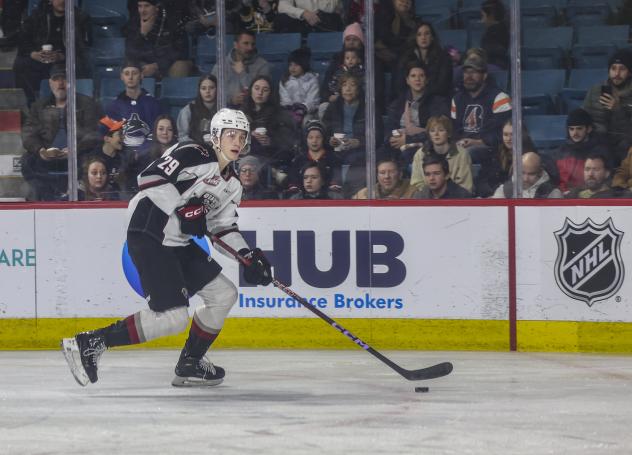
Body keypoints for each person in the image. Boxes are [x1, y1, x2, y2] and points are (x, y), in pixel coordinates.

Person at [61, 108, 274, 388]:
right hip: (149, 232)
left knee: (224, 294)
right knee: (173, 318)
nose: (236, 141)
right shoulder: (193, 153)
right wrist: (185, 208)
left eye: (241, 136)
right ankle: (90, 343)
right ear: (215, 137)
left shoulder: (232, 185)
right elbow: (149, 178)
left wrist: (247, 257)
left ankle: (191, 363)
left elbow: (222, 228)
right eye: (229, 134)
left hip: (177, 242)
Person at [21, 65, 102, 201]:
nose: (60, 83)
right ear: (50, 83)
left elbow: (93, 133)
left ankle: (78, 195)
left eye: (64, 79)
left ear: (71, 82)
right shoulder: (39, 106)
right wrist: (41, 151)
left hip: (78, 156)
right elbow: (28, 133)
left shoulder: (86, 103)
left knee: (92, 159)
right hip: (48, 156)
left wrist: (75, 150)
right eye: (56, 79)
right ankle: (42, 195)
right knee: (27, 161)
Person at [451, 53, 511, 196]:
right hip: (462, 145)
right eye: (466, 72)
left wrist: (478, 141)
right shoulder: (457, 98)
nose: (469, 76)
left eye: (474, 72)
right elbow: (453, 130)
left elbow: (504, 133)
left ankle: (465, 193)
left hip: (491, 149)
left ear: (484, 76)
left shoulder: (499, 98)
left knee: (466, 153)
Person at [12, 0, 90, 104]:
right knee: (20, 64)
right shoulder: (38, 15)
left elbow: (84, 47)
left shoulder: (80, 17)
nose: (62, 1)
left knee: (80, 63)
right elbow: (23, 39)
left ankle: (72, 104)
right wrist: (33, 54)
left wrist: (63, 56)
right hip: (41, 58)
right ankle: (33, 103)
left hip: (66, 60)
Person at [383, 62, 449, 165]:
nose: (417, 79)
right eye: (413, 76)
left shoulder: (437, 103)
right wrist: (394, 137)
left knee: (408, 154)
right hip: (398, 144)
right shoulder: (398, 103)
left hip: (425, 146)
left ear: (426, 80)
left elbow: (439, 132)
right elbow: (389, 130)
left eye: (421, 76)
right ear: (407, 80)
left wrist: (408, 140)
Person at [241, 75, 298, 188]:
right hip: (245, 158)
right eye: (256, 88)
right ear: (251, 90)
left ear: (271, 93)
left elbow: (288, 143)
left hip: (270, 156)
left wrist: (270, 141)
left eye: (265, 90)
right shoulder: (240, 114)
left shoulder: (281, 115)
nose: (260, 93)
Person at [582, 49, 632, 165]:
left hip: (625, 143)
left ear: (630, 72)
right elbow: (583, 117)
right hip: (598, 142)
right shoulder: (595, 91)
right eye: (613, 68)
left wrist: (618, 109)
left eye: (622, 69)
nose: (617, 73)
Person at [125, 0, 192, 79]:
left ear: (156, 8)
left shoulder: (172, 21)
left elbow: (179, 51)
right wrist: (142, 34)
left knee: (180, 66)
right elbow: (130, 52)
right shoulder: (134, 23)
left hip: (168, 62)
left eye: (147, 6)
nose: (142, 11)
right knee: (131, 68)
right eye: (140, 6)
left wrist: (157, 65)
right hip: (146, 63)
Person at [410, 115, 473, 193]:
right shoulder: (420, 154)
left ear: (449, 133)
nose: (436, 134)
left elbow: (465, 186)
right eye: (432, 131)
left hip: (454, 199)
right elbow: (416, 183)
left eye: (441, 130)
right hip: (427, 199)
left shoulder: (462, 154)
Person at [393, 21, 453, 99]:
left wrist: (422, 94)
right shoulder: (405, 58)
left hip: (435, 100)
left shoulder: (444, 58)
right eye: (419, 34)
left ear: (432, 37)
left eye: (427, 34)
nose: (423, 37)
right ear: (415, 38)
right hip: (410, 99)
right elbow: (399, 86)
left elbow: (443, 86)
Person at [211, 30, 271, 108]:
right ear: (236, 45)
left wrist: (243, 73)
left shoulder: (262, 65)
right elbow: (211, 91)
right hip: (225, 110)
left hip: (253, 109)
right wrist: (231, 99)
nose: (250, 48)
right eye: (246, 43)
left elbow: (263, 93)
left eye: (252, 44)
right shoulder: (221, 66)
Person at [556, 108, 609, 195]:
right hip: (561, 198)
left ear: (588, 129)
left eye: (579, 129)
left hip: (588, 197)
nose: (575, 133)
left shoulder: (600, 151)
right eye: (571, 129)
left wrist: (572, 193)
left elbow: (601, 182)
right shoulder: (561, 150)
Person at [105, 60, 164, 133]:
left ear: (141, 75)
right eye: (127, 74)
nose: (130, 77)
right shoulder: (113, 106)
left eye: (134, 73)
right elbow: (109, 133)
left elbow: (158, 132)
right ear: (121, 77)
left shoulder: (153, 103)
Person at [287, 120, 343, 194]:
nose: (314, 141)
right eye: (310, 137)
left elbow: (336, 184)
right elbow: (294, 184)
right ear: (306, 139)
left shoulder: (333, 159)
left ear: (323, 139)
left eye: (318, 137)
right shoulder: (298, 160)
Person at [492, 152, 562, 199]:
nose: (525, 179)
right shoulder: (504, 191)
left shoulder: (553, 193)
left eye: (531, 174)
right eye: (522, 173)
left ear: (540, 172)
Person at [279, 47, 320, 126]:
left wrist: (302, 109)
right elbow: (284, 100)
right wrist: (292, 110)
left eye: (296, 65)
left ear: (303, 65)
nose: (292, 68)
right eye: (290, 65)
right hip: (289, 112)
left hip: (308, 113)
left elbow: (313, 101)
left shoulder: (312, 80)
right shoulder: (285, 80)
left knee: (307, 120)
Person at [565, 153, 632, 198]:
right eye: (587, 169)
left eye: (596, 169)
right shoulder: (572, 194)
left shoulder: (614, 197)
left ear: (607, 173)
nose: (590, 174)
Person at [374, 0, 417, 69]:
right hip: (379, 55)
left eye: (408, 2)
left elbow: (410, 45)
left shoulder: (414, 24)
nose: (405, 2)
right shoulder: (381, 16)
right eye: (401, 0)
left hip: (399, 58)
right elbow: (374, 39)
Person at [177, 74, 218, 144]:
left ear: (217, 89)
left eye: (211, 87)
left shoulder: (224, 109)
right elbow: (182, 137)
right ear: (199, 90)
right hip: (195, 150)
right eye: (203, 88)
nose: (207, 91)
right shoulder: (188, 110)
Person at [274, 0, 344, 33]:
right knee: (282, 19)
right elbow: (282, 7)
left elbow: (331, 7)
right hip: (303, 25)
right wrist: (303, 13)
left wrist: (314, 14)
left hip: (328, 23)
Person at [480, 0, 509, 70]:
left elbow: (495, 52)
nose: (482, 21)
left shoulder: (499, 32)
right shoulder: (496, 30)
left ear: (491, 16)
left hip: (497, 66)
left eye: (483, 16)